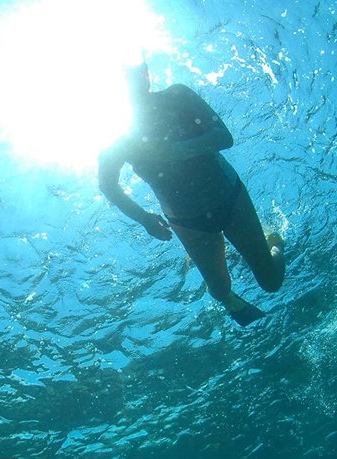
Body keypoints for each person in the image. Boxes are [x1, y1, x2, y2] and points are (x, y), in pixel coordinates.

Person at [98, 63, 286, 325]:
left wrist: (177, 150)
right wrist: (144, 218)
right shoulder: (118, 138)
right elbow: (107, 185)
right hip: (188, 221)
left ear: (147, 75)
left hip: (229, 197)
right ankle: (230, 298)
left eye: (138, 73)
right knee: (220, 290)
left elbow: (224, 137)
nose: (136, 81)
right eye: (128, 78)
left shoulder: (177, 95)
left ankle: (273, 240)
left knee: (271, 282)